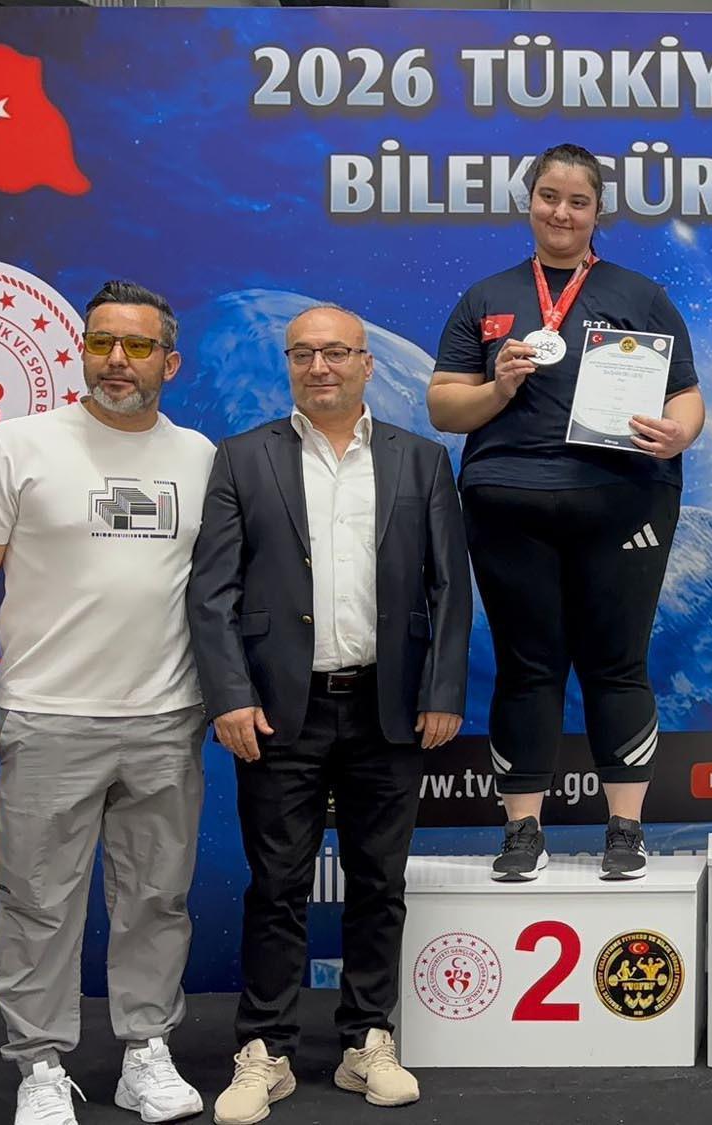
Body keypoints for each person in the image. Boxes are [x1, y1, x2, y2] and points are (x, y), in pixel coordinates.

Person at [0, 281, 214, 1125]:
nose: (116, 360)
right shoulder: (17, 444)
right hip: (48, 715)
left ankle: (144, 1052)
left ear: (170, 361)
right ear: (81, 350)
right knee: (37, 902)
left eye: (137, 346)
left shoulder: (200, 456)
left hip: (165, 717)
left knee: (156, 899)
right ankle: (41, 1064)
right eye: (100, 343)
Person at [189, 305, 470, 1121]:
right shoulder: (243, 458)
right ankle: (265, 1049)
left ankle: (367, 1040)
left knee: (379, 881)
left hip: (389, 706)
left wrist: (442, 691)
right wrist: (229, 695)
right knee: (277, 883)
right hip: (280, 712)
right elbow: (211, 592)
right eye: (305, 353)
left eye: (337, 352)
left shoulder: (420, 459)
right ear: (288, 363)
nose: (321, 367)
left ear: (366, 363)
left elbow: (449, 588)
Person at [429, 143, 702, 881]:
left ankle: (626, 828)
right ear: (530, 203)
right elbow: (443, 405)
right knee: (528, 666)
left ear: (597, 212)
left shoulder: (640, 295)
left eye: (578, 201)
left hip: (622, 503)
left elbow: (685, 395)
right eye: (550, 197)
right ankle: (523, 831)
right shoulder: (486, 297)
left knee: (618, 662)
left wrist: (679, 432)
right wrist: (497, 389)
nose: (562, 212)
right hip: (508, 504)